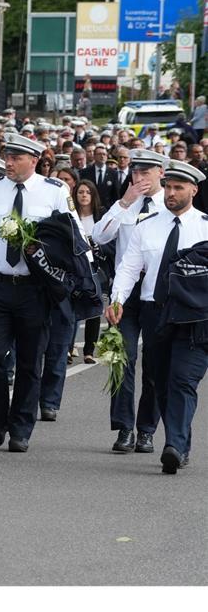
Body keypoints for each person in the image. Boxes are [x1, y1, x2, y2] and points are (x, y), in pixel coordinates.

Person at [0, 133, 76, 453]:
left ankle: (21, 426)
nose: (8, 162)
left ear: (33, 161)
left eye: (15, 158)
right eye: (7, 156)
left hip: (34, 290)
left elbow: (71, 238)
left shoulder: (54, 191)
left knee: (28, 362)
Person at [108, 160, 208, 474]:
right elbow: (128, 267)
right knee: (161, 381)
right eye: (169, 187)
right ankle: (181, 442)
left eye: (179, 187)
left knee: (182, 380)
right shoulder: (147, 225)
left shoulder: (205, 226)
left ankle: (174, 446)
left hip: (196, 319)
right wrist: (118, 298)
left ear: (194, 189)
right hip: (156, 314)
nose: (172, 193)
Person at [89, 149, 167, 453]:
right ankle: (124, 427)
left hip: (158, 293)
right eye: (135, 172)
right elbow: (100, 235)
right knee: (122, 359)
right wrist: (124, 203)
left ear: (160, 172)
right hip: (126, 292)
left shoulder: (168, 204)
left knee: (155, 364)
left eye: (146, 172)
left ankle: (147, 429)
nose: (140, 178)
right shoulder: (126, 205)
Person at [73, 179, 105, 364]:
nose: (84, 195)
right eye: (80, 192)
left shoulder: (101, 215)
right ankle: (69, 348)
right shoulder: (71, 216)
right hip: (75, 267)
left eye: (88, 192)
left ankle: (89, 351)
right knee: (73, 306)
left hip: (95, 268)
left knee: (94, 307)